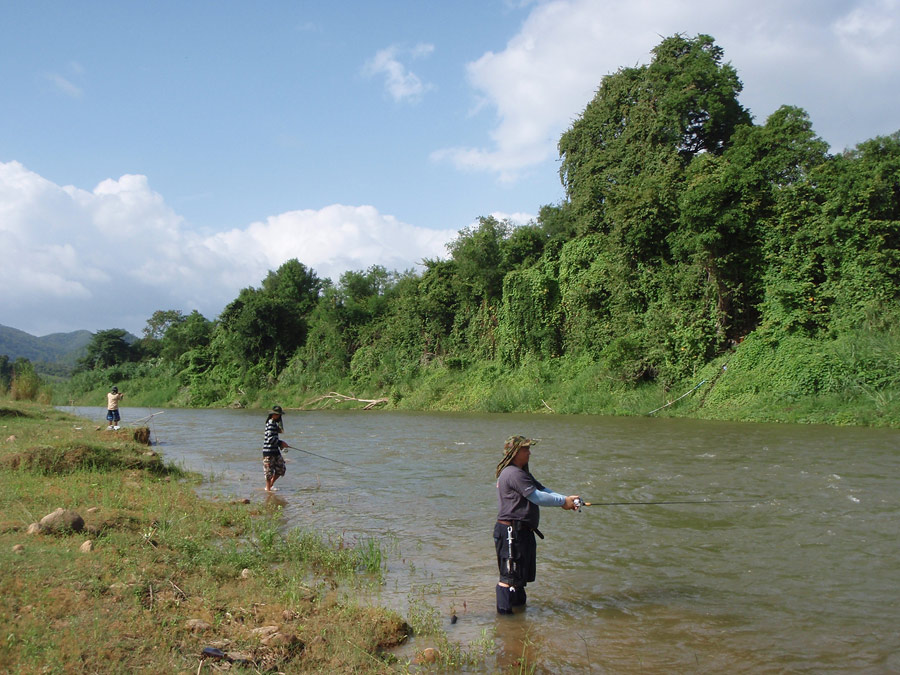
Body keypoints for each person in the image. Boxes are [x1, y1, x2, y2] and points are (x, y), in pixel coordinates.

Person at [493, 435, 580, 614]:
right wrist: (563, 502)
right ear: (515, 452)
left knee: (519, 577)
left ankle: (518, 621)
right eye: (526, 449)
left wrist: (566, 499)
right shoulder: (513, 473)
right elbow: (537, 497)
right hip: (511, 532)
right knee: (508, 577)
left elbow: (543, 490)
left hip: (522, 532)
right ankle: (505, 620)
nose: (529, 452)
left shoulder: (522, 473)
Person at [262, 405, 289, 492]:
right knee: (268, 473)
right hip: (268, 452)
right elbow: (270, 439)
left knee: (281, 469)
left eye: (279, 415)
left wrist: (280, 445)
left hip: (275, 451)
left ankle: (270, 485)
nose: (279, 417)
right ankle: (268, 490)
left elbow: (276, 436)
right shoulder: (270, 423)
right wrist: (281, 443)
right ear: (273, 415)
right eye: (278, 415)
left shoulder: (274, 423)